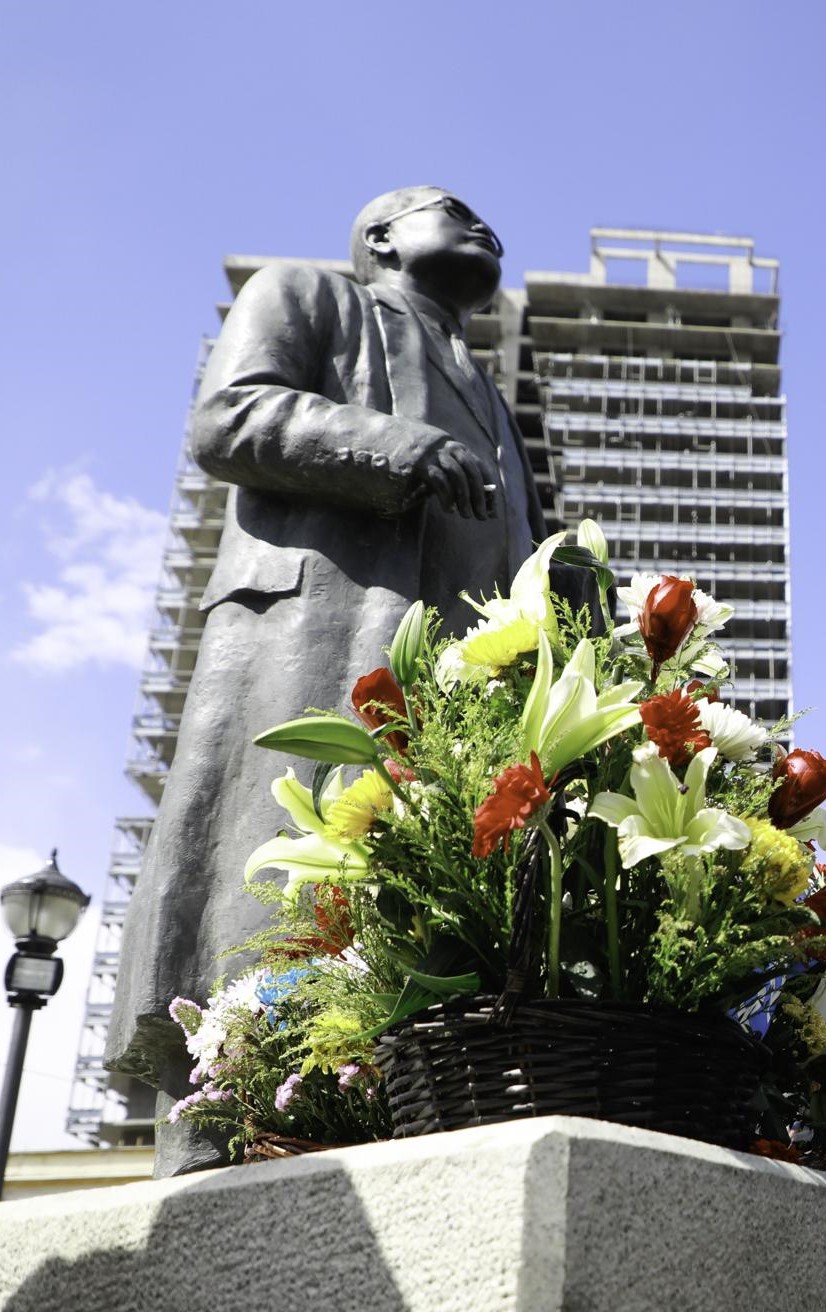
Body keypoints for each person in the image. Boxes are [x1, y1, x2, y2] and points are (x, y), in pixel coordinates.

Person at [108, 187, 548, 1175]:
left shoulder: (495, 401)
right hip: (319, 639)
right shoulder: (306, 292)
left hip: (455, 697)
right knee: (272, 877)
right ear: (383, 237)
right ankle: (234, 1115)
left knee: (424, 913)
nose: (485, 225)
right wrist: (401, 446)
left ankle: (378, 1110)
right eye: (453, 208)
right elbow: (228, 416)